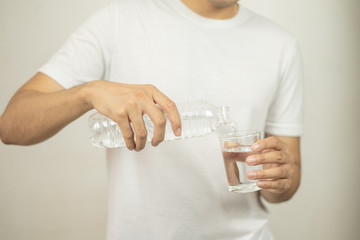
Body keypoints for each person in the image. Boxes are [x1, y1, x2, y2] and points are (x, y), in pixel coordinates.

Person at [0, 0, 303, 239]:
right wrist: (87, 92)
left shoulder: (281, 45)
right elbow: (11, 125)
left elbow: (284, 182)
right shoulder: (120, 20)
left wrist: (281, 178)